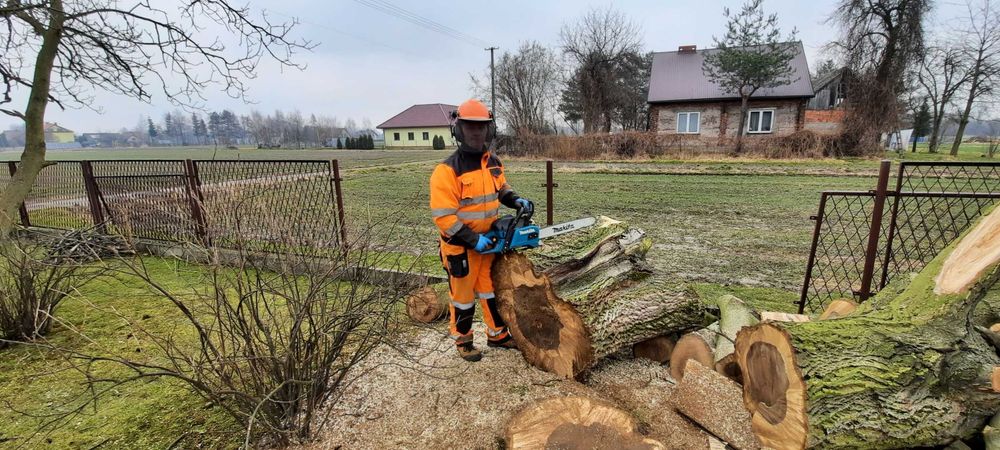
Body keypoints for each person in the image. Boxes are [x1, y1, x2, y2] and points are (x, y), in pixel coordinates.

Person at [429, 99, 533, 362]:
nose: (477, 133)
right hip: (460, 247)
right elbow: (444, 218)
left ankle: (496, 333)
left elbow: (502, 189)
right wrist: (473, 240)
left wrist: (516, 199)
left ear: (490, 130)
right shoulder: (447, 170)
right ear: (459, 130)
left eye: (482, 127)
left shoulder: (493, 162)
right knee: (463, 297)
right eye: (470, 127)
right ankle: (463, 340)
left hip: (490, 242)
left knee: (491, 290)